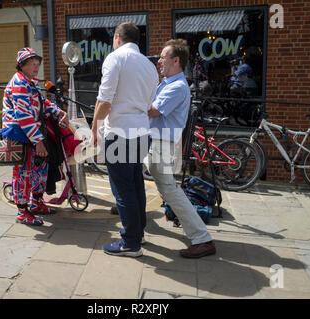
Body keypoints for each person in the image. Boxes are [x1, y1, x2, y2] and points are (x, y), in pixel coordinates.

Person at [91, 22, 158, 257]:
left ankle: (130, 243)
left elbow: (105, 100)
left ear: (117, 38)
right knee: (136, 183)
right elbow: (150, 103)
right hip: (142, 133)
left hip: (120, 133)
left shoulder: (115, 58)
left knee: (123, 189)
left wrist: (95, 128)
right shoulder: (150, 66)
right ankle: (137, 233)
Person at [147, 39, 216, 258]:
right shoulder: (167, 82)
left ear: (176, 60)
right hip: (155, 142)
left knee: (169, 190)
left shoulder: (176, 86)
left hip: (162, 144)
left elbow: (152, 111)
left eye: (162, 57)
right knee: (133, 171)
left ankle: (202, 238)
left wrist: (128, 101)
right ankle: (128, 207)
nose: (158, 61)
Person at [1, 47, 69, 226]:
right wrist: (38, 142)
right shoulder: (19, 83)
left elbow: (43, 102)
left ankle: (37, 202)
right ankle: (22, 211)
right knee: (24, 173)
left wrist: (58, 111)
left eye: (37, 64)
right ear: (22, 65)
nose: (36, 67)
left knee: (40, 170)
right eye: (32, 64)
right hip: (20, 135)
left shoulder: (30, 82)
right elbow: (24, 116)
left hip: (33, 134)